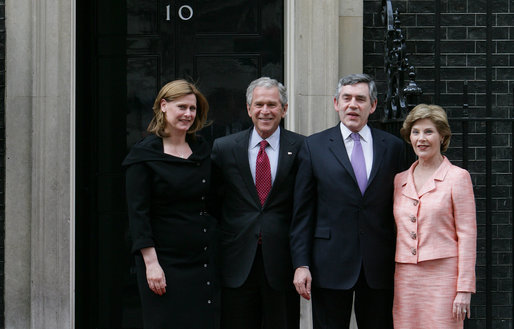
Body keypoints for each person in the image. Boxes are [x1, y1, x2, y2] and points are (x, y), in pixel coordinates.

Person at [290, 73, 405, 329]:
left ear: (372, 106)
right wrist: (301, 263)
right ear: (336, 103)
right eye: (347, 98)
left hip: (378, 264)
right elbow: (303, 212)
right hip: (329, 263)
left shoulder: (394, 147)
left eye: (361, 99)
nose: (353, 105)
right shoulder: (313, 146)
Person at [123, 80, 219, 329]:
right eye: (182, 107)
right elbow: (138, 215)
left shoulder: (201, 150)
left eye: (193, 109)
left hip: (202, 261)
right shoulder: (143, 156)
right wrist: (151, 264)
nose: (188, 114)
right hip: (163, 263)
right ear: (164, 106)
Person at [210, 77, 303, 329]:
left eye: (272, 105)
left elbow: (303, 208)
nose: (265, 111)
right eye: (259, 104)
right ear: (249, 108)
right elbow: (214, 202)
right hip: (237, 260)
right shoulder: (224, 148)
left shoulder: (302, 147)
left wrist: (302, 262)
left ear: (284, 109)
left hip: (282, 262)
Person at [392, 104, 476, 328]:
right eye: (415, 132)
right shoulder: (400, 180)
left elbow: (467, 235)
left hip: (444, 277)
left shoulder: (458, 177)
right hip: (407, 277)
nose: (421, 138)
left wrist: (464, 288)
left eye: (428, 132)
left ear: (442, 135)